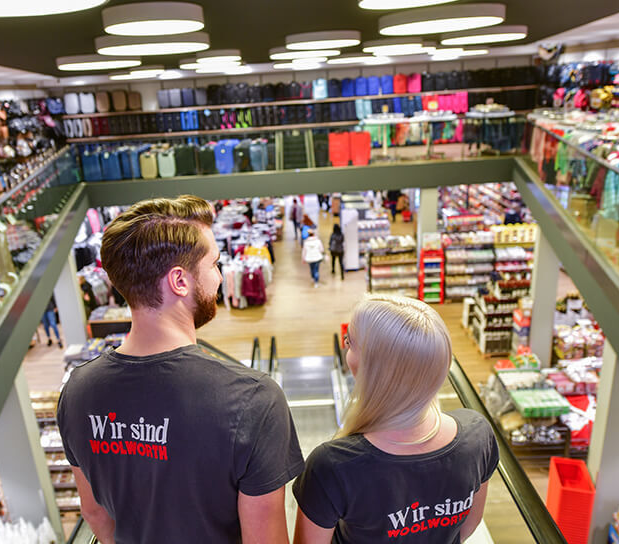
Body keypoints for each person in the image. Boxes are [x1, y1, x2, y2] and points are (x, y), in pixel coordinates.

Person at [57, 195, 303, 544]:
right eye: (215, 265)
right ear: (180, 281)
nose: (219, 277)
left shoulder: (77, 391)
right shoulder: (253, 400)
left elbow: (95, 512)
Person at [293, 294, 499, 544]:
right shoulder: (477, 435)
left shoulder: (331, 466)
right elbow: (468, 527)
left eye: (350, 343)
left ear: (371, 368)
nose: (347, 349)